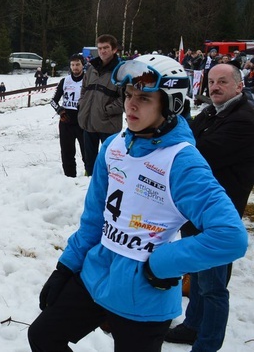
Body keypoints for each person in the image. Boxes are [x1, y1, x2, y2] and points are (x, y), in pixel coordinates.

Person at [28, 54, 248, 352]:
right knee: (42, 336)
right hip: (97, 275)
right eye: (129, 95)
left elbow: (230, 237)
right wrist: (66, 267)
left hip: (143, 295)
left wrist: (161, 264)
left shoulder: (182, 160)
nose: (130, 104)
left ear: (171, 104)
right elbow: (94, 218)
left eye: (144, 98)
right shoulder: (115, 146)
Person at [165, 62, 254, 351]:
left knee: (214, 286)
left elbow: (198, 152)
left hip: (218, 214)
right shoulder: (211, 111)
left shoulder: (244, 120)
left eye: (222, 82)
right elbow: (187, 136)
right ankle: (192, 326)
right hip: (195, 205)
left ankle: (207, 343)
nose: (214, 87)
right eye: (211, 81)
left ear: (239, 86)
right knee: (199, 273)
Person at [77, 34, 123, 176]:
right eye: (100, 48)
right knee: (89, 156)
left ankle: (111, 182)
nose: (102, 51)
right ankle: (88, 178)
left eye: (106, 48)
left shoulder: (121, 71)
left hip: (108, 123)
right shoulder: (92, 68)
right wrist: (82, 103)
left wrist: (107, 110)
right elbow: (84, 87)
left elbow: (126, 98)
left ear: (114, 50)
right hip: (89, 120)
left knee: (110, 157)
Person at [50, 54, 86, 177]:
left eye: (77, 64)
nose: (75, 67)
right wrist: (60, 110)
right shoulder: (65, 81)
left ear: (82, 65)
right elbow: (53, 101)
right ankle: (69, 178)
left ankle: (89, 177)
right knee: (67, 153)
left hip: (83, 121)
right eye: (72, 65)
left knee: (87, 153)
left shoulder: (88, 80)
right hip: (66, 121)